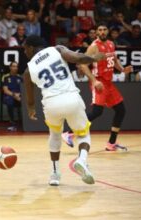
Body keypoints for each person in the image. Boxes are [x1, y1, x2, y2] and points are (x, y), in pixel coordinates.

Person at [23, 35, 105, 186]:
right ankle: (81, 160)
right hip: (71, 98)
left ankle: (55, 174)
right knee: (83, 134)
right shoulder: (57, 50)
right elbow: (77, 58)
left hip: (51, 103)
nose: (24, 51)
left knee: (54, 135)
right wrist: (94, 58)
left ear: (31, 47)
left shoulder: (28, 70)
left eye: (25, 48)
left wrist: (31, 109)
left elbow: (30, 96)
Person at [62, 23, 133, 152]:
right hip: (99, 82)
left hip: (109, 83)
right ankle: (69, 133)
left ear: (108, 31)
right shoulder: (94, 47)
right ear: (96, 33)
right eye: (99, 30)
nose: (102, 32)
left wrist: (122, 69)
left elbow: (114, 59)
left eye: (104, 29)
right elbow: (83, 65)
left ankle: (111, 143)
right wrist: (94, 81)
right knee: (97, 112)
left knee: (121, 110)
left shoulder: (111, 44)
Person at [2, 61, 22, 131]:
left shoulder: (20, 77)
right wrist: (14, 95)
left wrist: (19, 95)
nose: (15, 68)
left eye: (16, 66)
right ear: (10, 67)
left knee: (25, 102)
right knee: (10, 101)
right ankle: (12, 124)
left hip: (19, 96)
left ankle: (22, 123)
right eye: (13, 66)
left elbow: (23, 90)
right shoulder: (6, 77)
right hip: (9, 96)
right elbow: (5, 90)